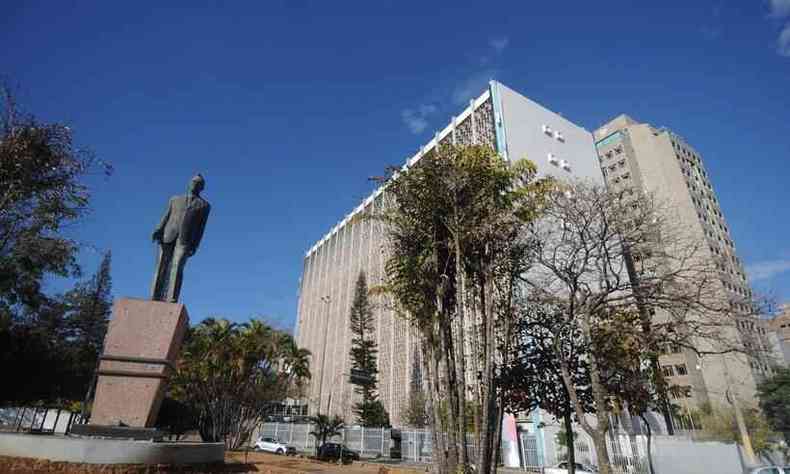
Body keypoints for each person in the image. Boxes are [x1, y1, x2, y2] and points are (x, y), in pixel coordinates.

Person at [151, 174, 211, 302]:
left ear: (202, 188)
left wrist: (195, 245)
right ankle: (154, 296)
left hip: (185, 240)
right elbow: (166, 216)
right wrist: (158, 229)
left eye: (198, 183)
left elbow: (201, 228)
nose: (195, 184)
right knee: (161, 266)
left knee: (177, 266)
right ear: (189, 183)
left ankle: (172, 298)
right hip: (167, 235)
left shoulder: (204, 206)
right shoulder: (175, 199)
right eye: (193, 182)